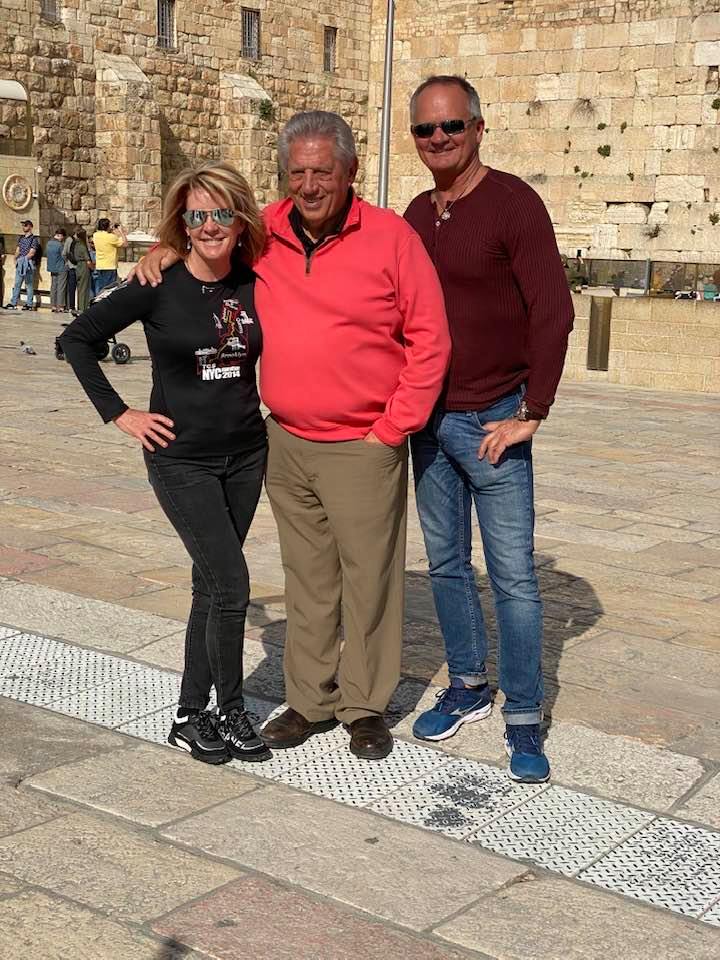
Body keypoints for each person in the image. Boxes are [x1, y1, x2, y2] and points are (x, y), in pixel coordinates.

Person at [134, 111, 451, 761]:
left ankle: (364, 707)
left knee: (370, 578)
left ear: (350, 172)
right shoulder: (266, 230)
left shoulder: (391, 239)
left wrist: (393, 427)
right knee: (308, 578)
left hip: (365, 441)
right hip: (285, 441)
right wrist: (166, 248)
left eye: (322, 172)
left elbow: (430, 339)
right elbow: (207, 242)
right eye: (297, 172)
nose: (308, 185)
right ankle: (310, 701)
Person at [59, 161, 271, 766]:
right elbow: (77, 340)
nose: (209, 226)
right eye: (195, 215)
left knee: (211, 584)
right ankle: (229, 708)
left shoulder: (256, 281)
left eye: (220, 213)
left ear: (238, 218)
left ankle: (188, 713)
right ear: (182, 221)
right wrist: (120, 414)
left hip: (246, 455)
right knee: (232, 584)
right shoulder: (156, 284)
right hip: (181, 460)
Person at [404, 75, 574, 783]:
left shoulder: (514, 204)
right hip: (429, 421)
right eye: (424, 130)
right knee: (446, 566)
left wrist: (532, 412)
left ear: (478, 128)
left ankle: (526, 716)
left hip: (495, 416)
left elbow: (554, 312)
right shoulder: (416, 213)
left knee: (514, 581)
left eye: (450, 126)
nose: (438, 139)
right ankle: (470, 685)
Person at [4, 219, 38, 310]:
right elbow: (18, 249)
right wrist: (15, 258)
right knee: (17, 284)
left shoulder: (34, 239)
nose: (24, 227)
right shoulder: (21, 238)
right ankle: (13, 303)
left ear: (30, 226)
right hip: (20, 263)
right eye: (23, 225)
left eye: (26, 225)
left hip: (28, 264)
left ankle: (29, 304)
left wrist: (23, 260)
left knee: (29, 285)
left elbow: (32, 253)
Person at [92, 217, 127, 294]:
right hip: (110, 265)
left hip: (100, 265)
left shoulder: (95, 235)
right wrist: (121, 231)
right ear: (107, 226)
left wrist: (110, 230)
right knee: (110, 289)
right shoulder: (111, 237)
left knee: (101, 287)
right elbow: (125, 244)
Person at [46, 227, 67, 312]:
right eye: (63, 236)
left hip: (52, 267)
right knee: (61, 287)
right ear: (61, 235)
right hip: (61, 267)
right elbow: (64, 255)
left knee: (53, 286)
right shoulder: (60, 244)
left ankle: (53, 305)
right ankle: (60, 306)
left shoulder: (49, 243)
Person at [71, 228, 92, 313]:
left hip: (78, 266)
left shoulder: (76, 244)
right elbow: (88, 260)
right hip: (84, 267)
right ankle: (83, 308)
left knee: (80, 288)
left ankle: (80, 306)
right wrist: (92, 267)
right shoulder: (83, 246)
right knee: (84, 288)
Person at [61, 230, 77, 311]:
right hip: (81, 267)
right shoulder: (83, 239)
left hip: (71, 267)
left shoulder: (69, 240)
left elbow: (64, 253)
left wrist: (67, 262)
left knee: (71, 288)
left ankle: (71, 306)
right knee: (82, 288)